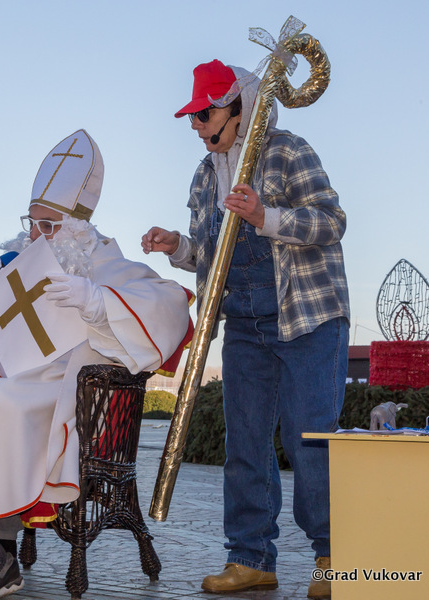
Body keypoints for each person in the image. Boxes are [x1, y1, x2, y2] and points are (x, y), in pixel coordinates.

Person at [0, 129, 192, 600]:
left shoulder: (107, 265)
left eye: (48, 226)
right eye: (32, 222)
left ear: (77, 228)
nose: (35, 235)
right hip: (9, 371)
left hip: (68, 388)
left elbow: (169, 306)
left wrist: (97, 302)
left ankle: (2, 550)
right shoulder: (16, 260)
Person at [142, 60, 349, 599]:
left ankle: (335, 557)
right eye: (192, 117)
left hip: (307, 316)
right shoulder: (203, 174)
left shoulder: (288, 151)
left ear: (239, 109)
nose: (196, 126)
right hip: (242, 321)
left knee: (310, 439)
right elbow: (213, 256)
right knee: (245, 443)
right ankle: (250, 559)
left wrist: (265, 217)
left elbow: (331, 221)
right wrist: (179, 248)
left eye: (204, 115)